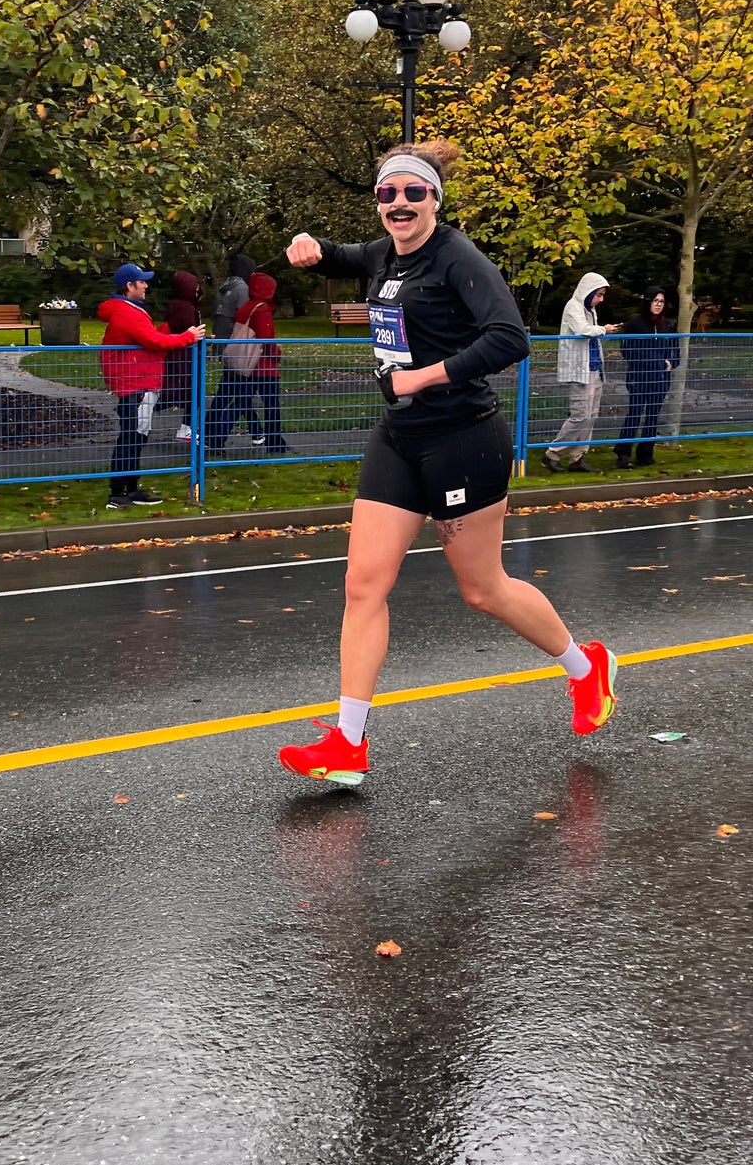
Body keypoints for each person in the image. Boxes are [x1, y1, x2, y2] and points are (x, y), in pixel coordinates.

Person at [276, 142, 618, 787]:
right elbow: (341, 255)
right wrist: (309, 244)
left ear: (436, 198)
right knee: (362, 585)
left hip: (463, 437)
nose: (400, 204)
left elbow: (509, 339)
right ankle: (348, 740)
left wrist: (424, 376)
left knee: (482, 590)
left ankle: (586, 665)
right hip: (401, 438)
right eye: (387, 194)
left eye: (414, 193)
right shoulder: (384, 253)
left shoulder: (459, 259)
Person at [98, 265, 204, 510]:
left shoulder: (130, 310)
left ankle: (131, 489)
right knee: (131, 438)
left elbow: (149, 337)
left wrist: (166, 332)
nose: (146, 286)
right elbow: (154, 341)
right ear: (129, 286)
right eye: (142, 282)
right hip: (136, 383)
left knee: (136, 437)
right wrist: (189, 336)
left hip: (141, 382)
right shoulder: (127, 312)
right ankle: (118, 493)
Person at [206, 268, 290, 457]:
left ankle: (216, 438)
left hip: (246, 366)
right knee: (271, 406)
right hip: (262, 366)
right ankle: (275, 443)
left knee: (240, 403)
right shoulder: (262, 310)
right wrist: (276, 355)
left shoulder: (246, 307)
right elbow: (266, 339)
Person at [542, 272, 619, 474]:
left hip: (594, 369)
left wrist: (601, 330)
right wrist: (604, 329)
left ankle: (577, 457)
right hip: (579, 370)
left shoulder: (590, 309)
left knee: (591, 416)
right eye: (599, 294)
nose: (601, 299)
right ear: (589, 291)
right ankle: (552, 453)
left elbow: (590, 332)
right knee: (580, 415)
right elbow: (583, 330)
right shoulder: (573, 307)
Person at [615, 286, 675, 468]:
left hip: (661, 379)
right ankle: (623, 453)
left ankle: (645, 453)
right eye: (655, 301)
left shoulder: (668, 325)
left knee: (653, 416)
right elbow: (627, 350)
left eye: (661, 302)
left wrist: (670, 361)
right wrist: (651, 361)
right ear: (647, 301)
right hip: (639, 377)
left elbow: (676, 351)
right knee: (635, 413)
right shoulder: (635, 324)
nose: (658, 305)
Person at [161, 269, 203, 443]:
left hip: (179, 354)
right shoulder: (185, 308)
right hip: (184, 356)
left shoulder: (178, 305)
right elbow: (189, 329)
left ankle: (187, 428)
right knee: (190, 391)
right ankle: (186, 428)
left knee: (184, 392)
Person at [213, 253, 257, 339]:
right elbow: (245, 317)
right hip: (234, 338)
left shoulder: (224, 287)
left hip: (220, 335)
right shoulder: (242, 288)